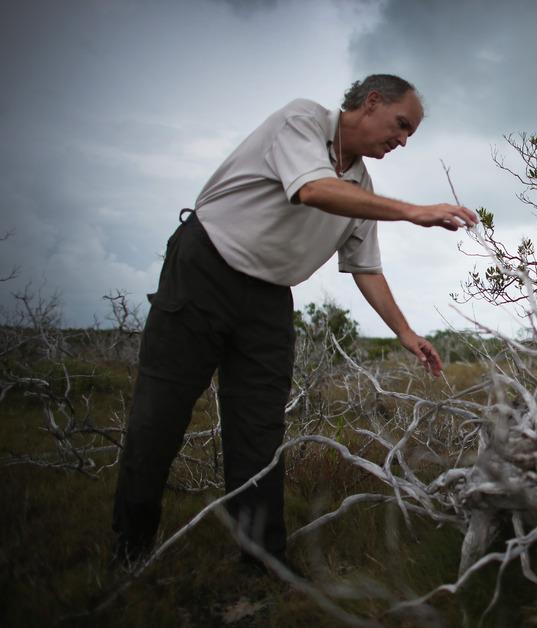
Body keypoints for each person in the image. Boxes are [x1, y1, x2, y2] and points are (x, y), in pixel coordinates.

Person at [111, 74, 478, 568]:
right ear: (371, 102)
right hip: (203, 271)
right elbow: (312, 189)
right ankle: (128, 552)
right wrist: (412, 211)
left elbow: (366, 268)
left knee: (259, 431)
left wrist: (407, 334)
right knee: (161, 415)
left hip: (268, 300)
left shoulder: (362, 189)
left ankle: (261, 563)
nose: (404, 140)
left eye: (410, 133)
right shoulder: (302, 120)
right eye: (401, 124)